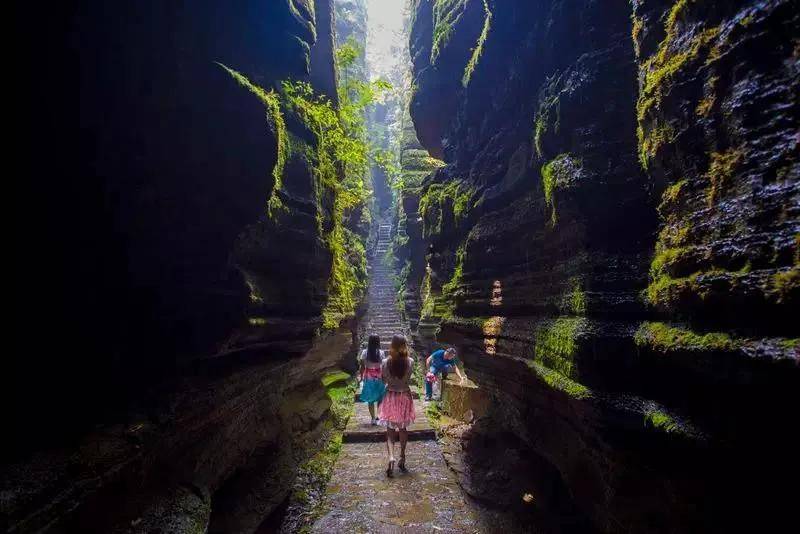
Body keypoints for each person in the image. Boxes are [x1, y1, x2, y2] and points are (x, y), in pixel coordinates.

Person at [378, 334, 415, 477]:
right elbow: (408, 378)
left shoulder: (385, 362)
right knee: (403, 428)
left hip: (391, 395)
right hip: (404, 395)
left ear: (392, 345)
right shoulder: (410, 361)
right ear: (405, 345)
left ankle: (391, 457)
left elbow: (383, 379)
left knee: (390, 430)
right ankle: (403, 456)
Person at [358, 335, 385, 424]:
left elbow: (362, 367)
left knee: (370, 399)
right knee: (380, 397)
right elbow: (383, 366)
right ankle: (379, 416)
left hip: (368, 377)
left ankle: (373, 418)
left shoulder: (364, 353)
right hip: (379, 377)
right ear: (378, 342)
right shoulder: (381, 353)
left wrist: (361, 377)